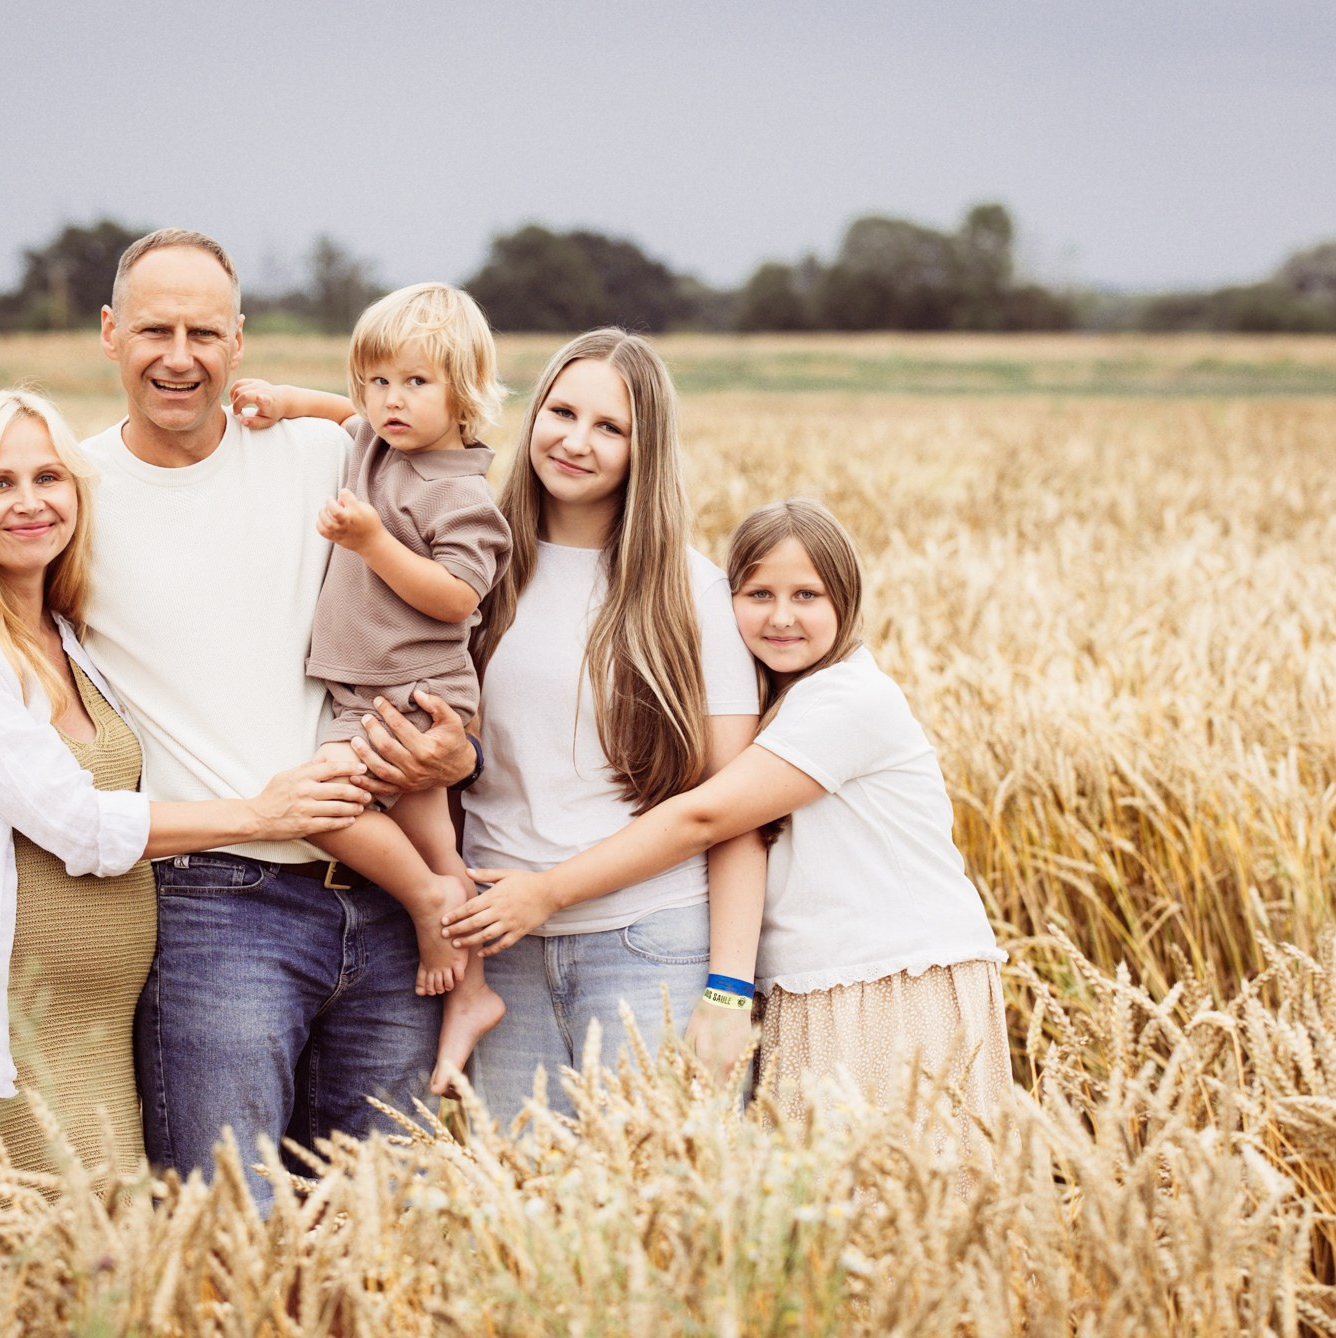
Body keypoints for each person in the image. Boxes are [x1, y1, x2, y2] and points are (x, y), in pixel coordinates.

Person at [0, 231, 478, 1202]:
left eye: (201, 332)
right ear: (108, 333)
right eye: (152, 330)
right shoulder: (73, 493)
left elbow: (458, 479)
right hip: (216, 909)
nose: (177, 356)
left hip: (388, 900)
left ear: (238, 339)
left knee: (375, 1222)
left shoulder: (325, 458)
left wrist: (454, 745)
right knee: (228, 1224)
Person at [0, 389, 369, 1174]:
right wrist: (261, 812)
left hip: (95, 1033)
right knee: (21, 1269)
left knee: (107, 1271)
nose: (29, 502)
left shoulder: (72, 638)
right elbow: (77, 822)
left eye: (49, 478)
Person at [446, 498, 1010, 1157]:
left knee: (899, 1206)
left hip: (885, 985)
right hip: (813, 985)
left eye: (808, 594)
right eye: (758, 592)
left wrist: (546, 891)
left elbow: (705, 815)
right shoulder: (783, 702)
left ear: (847, 600)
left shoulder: (848, 700)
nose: (780, 616)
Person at [419, 328, 767, 1121]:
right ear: (531, 412)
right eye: (561, 411)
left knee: (662, 1215)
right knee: (526, 1227)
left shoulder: (693, 593)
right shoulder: (471, 571)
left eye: (610, 427)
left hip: (650, 948)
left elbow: (739, 813)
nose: (576, 441)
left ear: (647, 449)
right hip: (499, 953)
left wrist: (727, 988)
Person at [226, 282, 511, 1096]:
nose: (388, 400)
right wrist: (285, 401)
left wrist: (373, 540)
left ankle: (427, 907)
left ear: (466, 393)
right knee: (442, 846)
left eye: (415, 383)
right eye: (376, 381)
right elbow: (339, 417)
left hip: (416, 698)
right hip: (370, 689)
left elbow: (459, 598)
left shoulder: (459, 489)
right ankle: (475, 989)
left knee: (326, 806)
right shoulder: (376, 441)